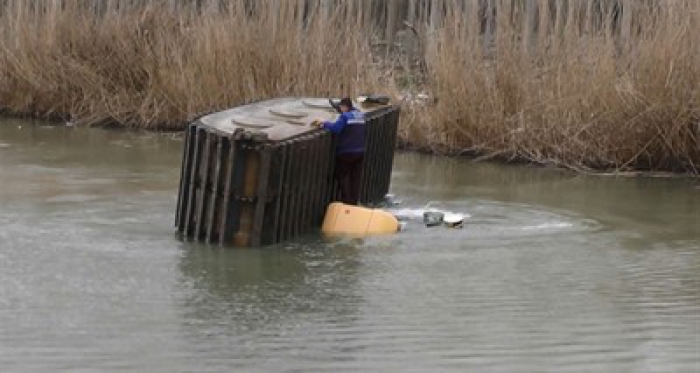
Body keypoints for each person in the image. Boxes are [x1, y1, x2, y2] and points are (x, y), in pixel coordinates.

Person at [318, 98, 365, 205]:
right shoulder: (360, 115)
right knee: (355, 179)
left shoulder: (344, 117)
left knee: (342, 176)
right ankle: (354, 202)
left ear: (344, 107)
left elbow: (336, 129)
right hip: (360, 152)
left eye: (340, 107)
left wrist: (324, 123)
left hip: (346, 152)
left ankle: (347, 202)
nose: (340, 109)